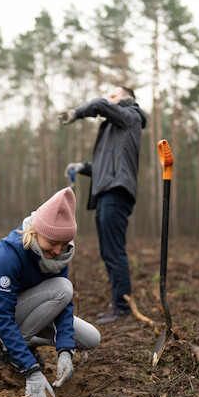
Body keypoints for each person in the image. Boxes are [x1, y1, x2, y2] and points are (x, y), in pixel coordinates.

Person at [0, 188, 101, 397]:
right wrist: (31, 370)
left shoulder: (56, 255)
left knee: (91, 338)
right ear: (36, 232)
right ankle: (9, 352)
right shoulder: (8, 255)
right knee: (63, 287)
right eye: (53, 244)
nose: (59, 251)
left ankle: (23, 343)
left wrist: (65, 351)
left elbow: (64, 307)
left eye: (65, 244)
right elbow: (1, 315)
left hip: (25, 312)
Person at [58, 86, 147, 324]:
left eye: (114, 97)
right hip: (107, 191)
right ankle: (118, 303)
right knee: (108, 252)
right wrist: (82, 167)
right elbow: (104, 166)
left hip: (117, 192)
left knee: (114, 251)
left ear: (127, 99)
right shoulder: (116, 128)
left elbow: (98, 104)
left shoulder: (132, 116)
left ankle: (122, 307)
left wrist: (77, 112)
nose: (110, 100)